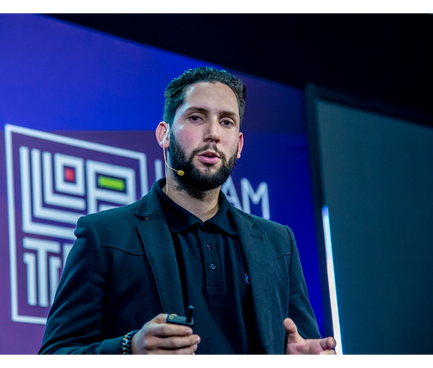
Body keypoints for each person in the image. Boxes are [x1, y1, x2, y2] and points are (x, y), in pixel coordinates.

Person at [38, 67, 336, 358]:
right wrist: (129, 349)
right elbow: (55, 353)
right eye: (196, 117)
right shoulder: (104, 235)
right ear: (164, 134)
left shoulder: (277, 243)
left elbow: (302, 342)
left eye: (227, 122)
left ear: (240, 144)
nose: (213, 134)